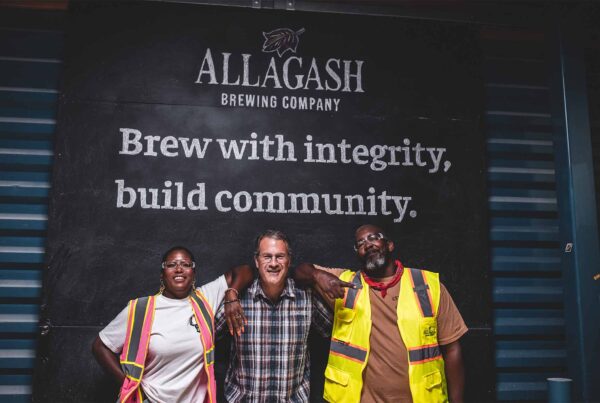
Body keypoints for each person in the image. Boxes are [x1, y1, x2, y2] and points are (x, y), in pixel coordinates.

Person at [295, 224, 468, 403]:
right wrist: (318, 275)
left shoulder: (428, 286)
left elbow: (452, 349)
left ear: (390, 245)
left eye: (373, 237)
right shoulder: (344, 284)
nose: (367, 244)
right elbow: (299, 272)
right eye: (360, 243)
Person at [92, 246, 253, 403]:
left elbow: (245, 271)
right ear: (162, 274)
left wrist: (231, 294)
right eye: (171, 265)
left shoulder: (205, 298)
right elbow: (100, 346)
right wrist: (131, 388)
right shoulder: (140, 309)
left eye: (185, 264)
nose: (179, 269)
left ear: (193, 272)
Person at [214, 229, 333, 402]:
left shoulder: (307, 296)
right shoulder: (238, 299)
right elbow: (206, 335)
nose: (274, 263)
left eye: (280, 256)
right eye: (267, 256)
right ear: (257, 261)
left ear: (289, 260)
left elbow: (335, 332)